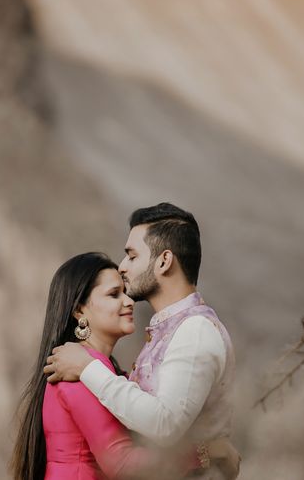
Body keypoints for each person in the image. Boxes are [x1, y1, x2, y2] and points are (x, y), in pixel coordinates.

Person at [43, 203, 236, 480]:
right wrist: (209, 451)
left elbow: (163, 424)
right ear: (79, 310)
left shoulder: (194, 331)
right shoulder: (82, 365)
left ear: (164, 261)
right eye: (113, 295)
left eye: (132, 256)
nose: (123, 267)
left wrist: (88, 369)